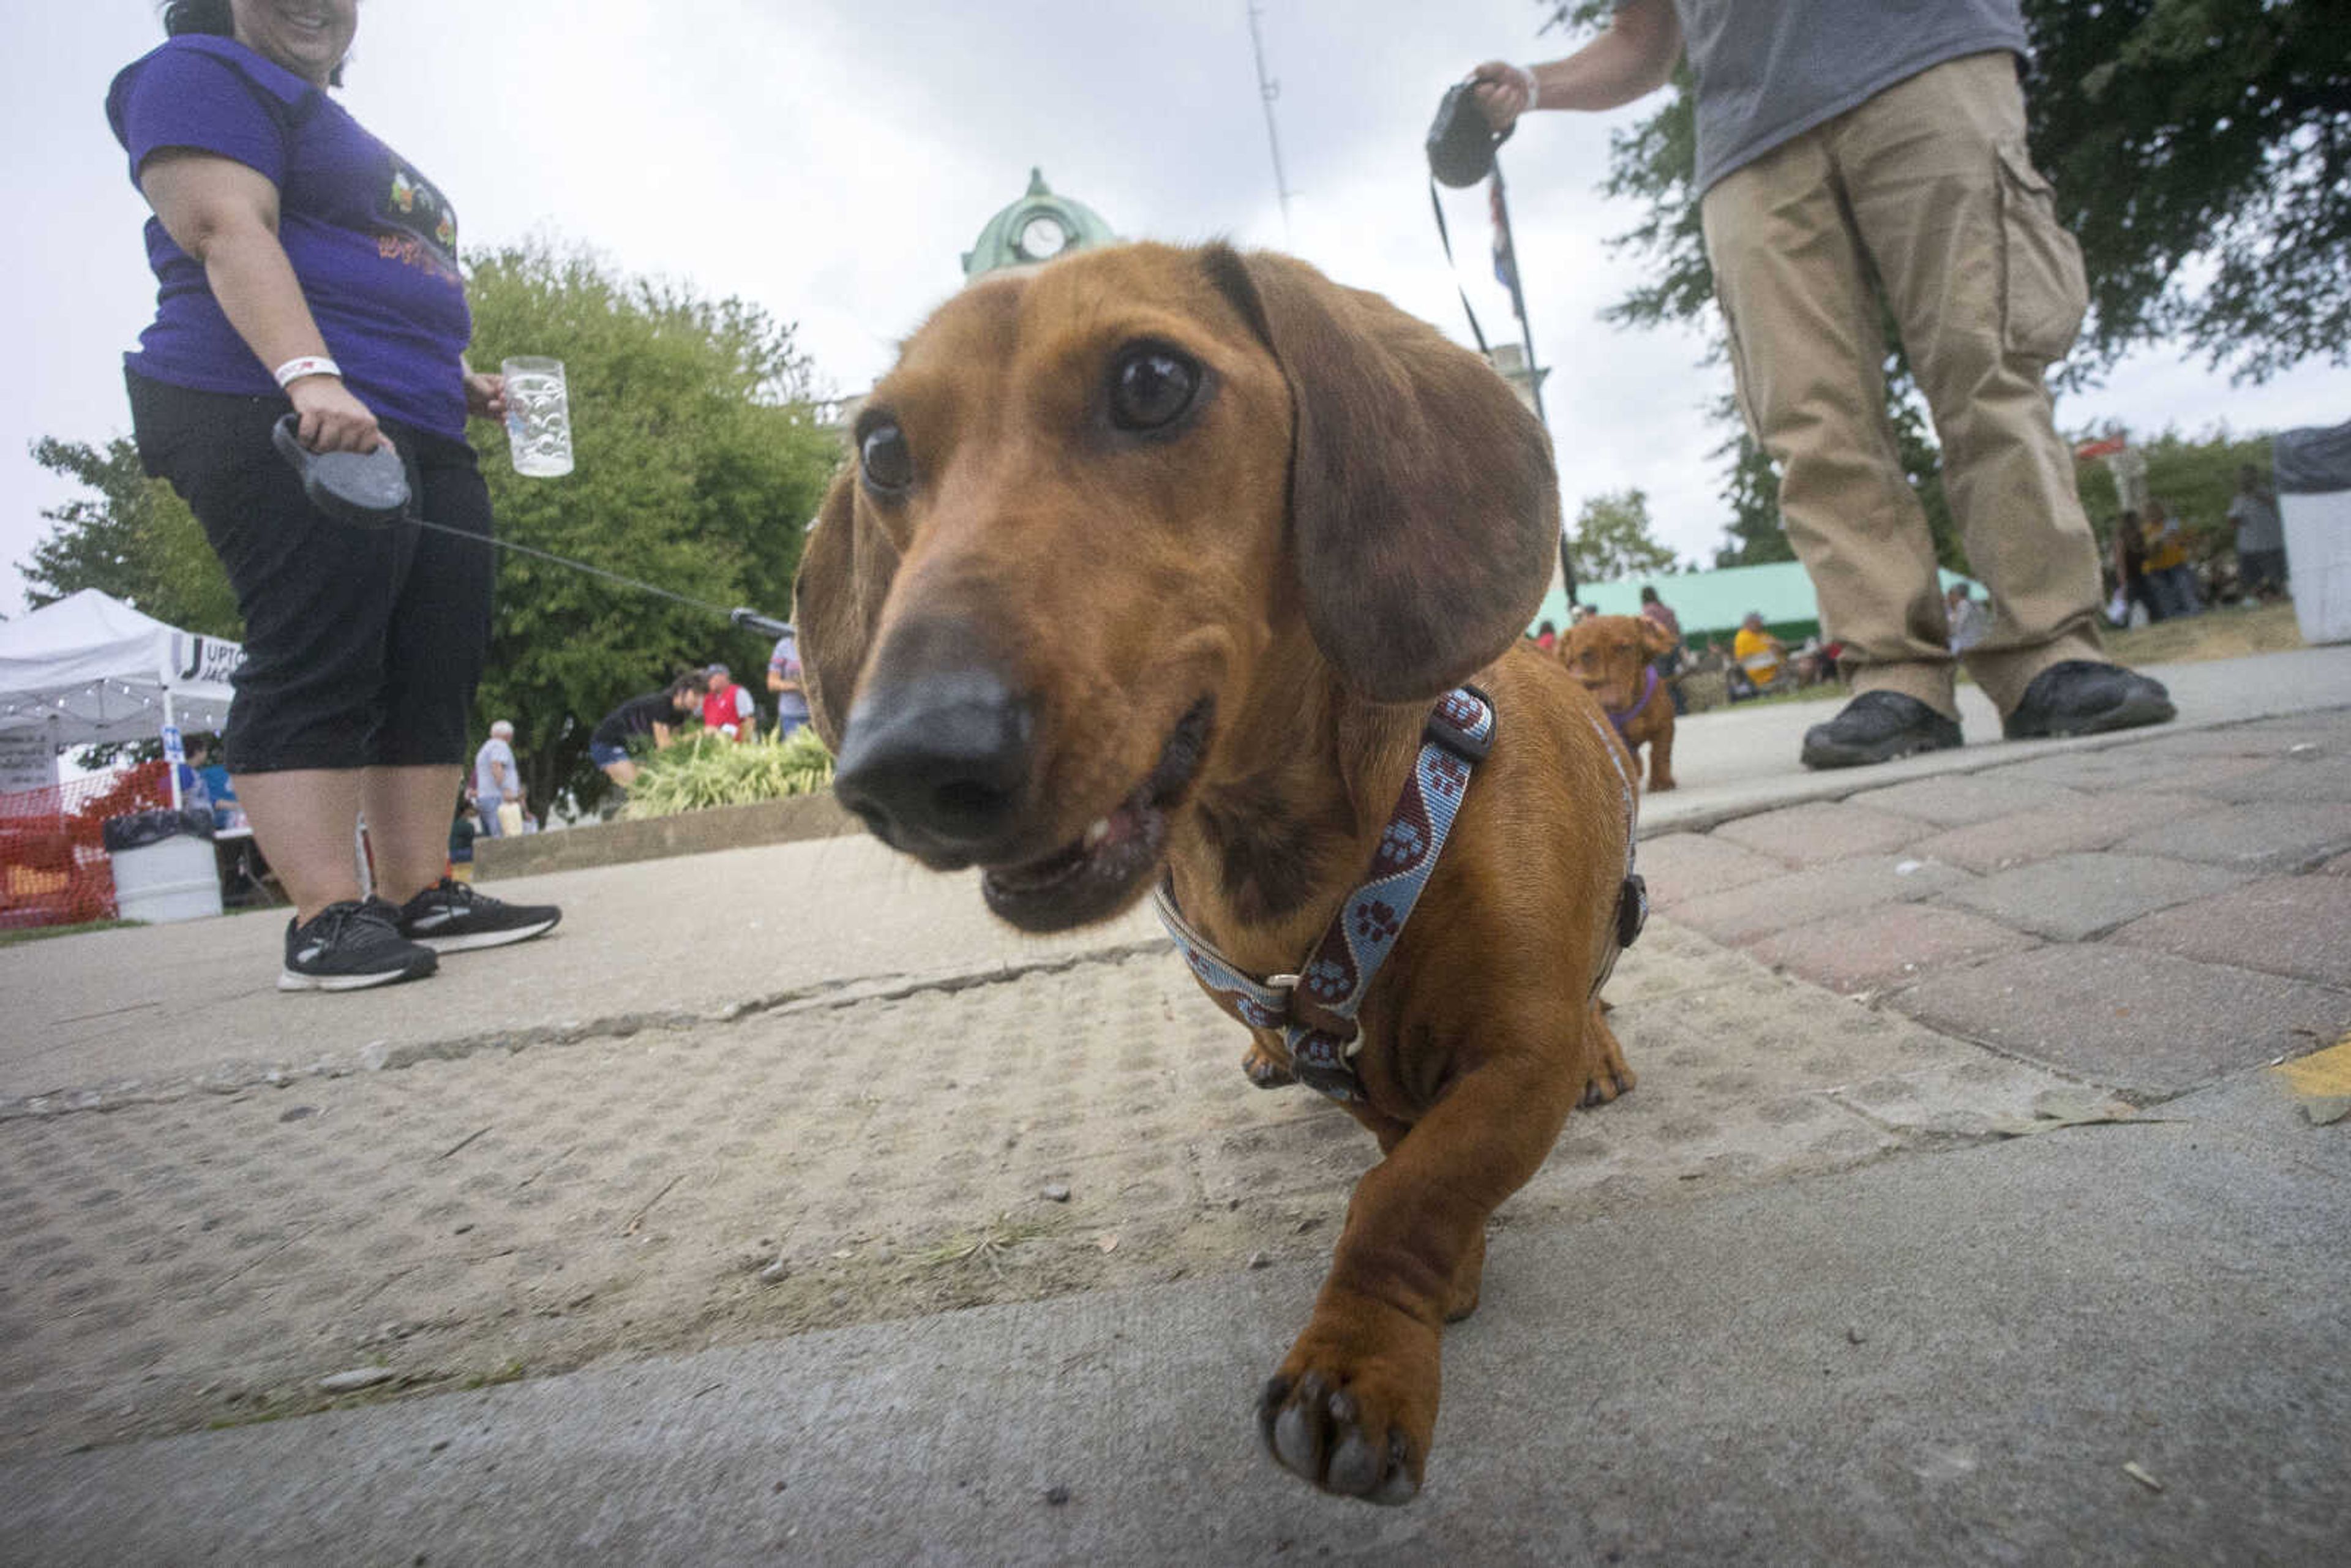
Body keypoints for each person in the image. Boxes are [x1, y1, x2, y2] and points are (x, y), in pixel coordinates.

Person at [1469, 0, 2172, 768]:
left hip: (1930, 58)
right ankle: (1894, 671)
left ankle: (2053, 647)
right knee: (1810, 421)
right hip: (1748, 136)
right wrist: (1532, 85)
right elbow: (1644, 40)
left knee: (1985, 364)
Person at [110, 0, 559, 989]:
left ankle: (416, 888)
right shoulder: (197, 73)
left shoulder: (335, 128)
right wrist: (310, 373)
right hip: (262, 395)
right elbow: (225, 225)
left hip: (415, 415)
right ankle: (324, 918)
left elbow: (381, 272)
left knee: (435, 644)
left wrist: (461, 376)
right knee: (323, 631)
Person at [590, 675, 703, 789]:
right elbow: (665, 747)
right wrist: (699, 735)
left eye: (701, 697)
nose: (699, 701)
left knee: (656, 784)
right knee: (640, 787)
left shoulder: (681, 715)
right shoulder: (662, 704)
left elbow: (671, 748)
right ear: (681, 691)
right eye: (696, 695)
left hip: (633, 749)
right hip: (607, 743)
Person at [2225, 465, 2287, 604]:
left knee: (2278, 577)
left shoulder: (2269, 491)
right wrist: (2237, 519)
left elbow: (2275, 505)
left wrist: (2256, 494)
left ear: (2255, 476)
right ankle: (2251, 601)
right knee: (2248, 579)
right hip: (2247, 546)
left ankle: (2283, 597)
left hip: (2270, 544)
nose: (2242, 479)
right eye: (2240, 477)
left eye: (2246, 476)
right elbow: (2232, 522)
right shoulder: (2238, 499)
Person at [2140, 500, 2202, 619]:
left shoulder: (2172, 525)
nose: (2154, 515)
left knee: (2185, 588)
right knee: (2166, 597)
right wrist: (2157, 542)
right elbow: (2146, 553)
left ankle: (2194, 611)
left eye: (2156, 511)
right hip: (2156, 569)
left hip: (2176, 563)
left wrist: (2179, 538)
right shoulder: (2145, 531)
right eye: (2151, 512)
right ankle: (2174, 617)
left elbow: (2185, 542)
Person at [1637, 585, 1685, 711]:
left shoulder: (1648, 611)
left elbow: (1648, 632)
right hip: (1674, 646)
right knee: (1674, 678)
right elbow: (1677, 629)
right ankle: (1681, 707)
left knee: (1663, 680)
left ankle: (1671, 709)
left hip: (1660, 649)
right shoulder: (1668, 610)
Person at [2112, 508, 2161, 626]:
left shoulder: (2139, 537)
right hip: (2128, 578)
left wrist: (2154, 548)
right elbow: (2120, 563)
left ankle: (2157, 621)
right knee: (2127, 604)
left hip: (2139, 575)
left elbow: (2145, 556)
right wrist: (2123, 583)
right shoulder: (2121, 539)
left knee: (2151, 600)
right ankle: (2119, 627)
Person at [472, 719, 519, 838]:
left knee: (492, 839)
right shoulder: (500, 745)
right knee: (503, 837)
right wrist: (506, 789)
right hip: (497, 798)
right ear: (509, 736)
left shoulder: (485, 748)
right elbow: (496, 766)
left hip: (485, 797)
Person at [767, 628, 812, 738]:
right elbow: (772, 683)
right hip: (793, 715)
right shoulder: (784, 646)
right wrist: (797, 686)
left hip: (820, 715)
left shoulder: (822, 642)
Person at [701, 664, 758, 743]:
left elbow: (749, 722)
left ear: (724, 676)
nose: (708, 681)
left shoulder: (738, 693)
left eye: (711, 677)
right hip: (712, 744)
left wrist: (744, 744)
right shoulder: (707, 697)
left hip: (734, 743)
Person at [1732, 612, 1785, 692]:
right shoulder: (1743, 638)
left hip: (1777, 670)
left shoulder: (1762, 635)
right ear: (1749, 623)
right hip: (1763, 676)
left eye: (1760, 621)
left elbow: (1782, 649)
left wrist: (1776, 646)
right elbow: (1741, 662)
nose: (1761, 624)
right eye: (1758, 622)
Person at [1945, 583, 1991, 653]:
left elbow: (1958, 626)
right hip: (1980, 641)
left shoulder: (1963, 604)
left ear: (1957, 595)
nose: (1948, 597)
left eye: (1951, 594)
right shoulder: (1977, 604)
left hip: (1966, 643)